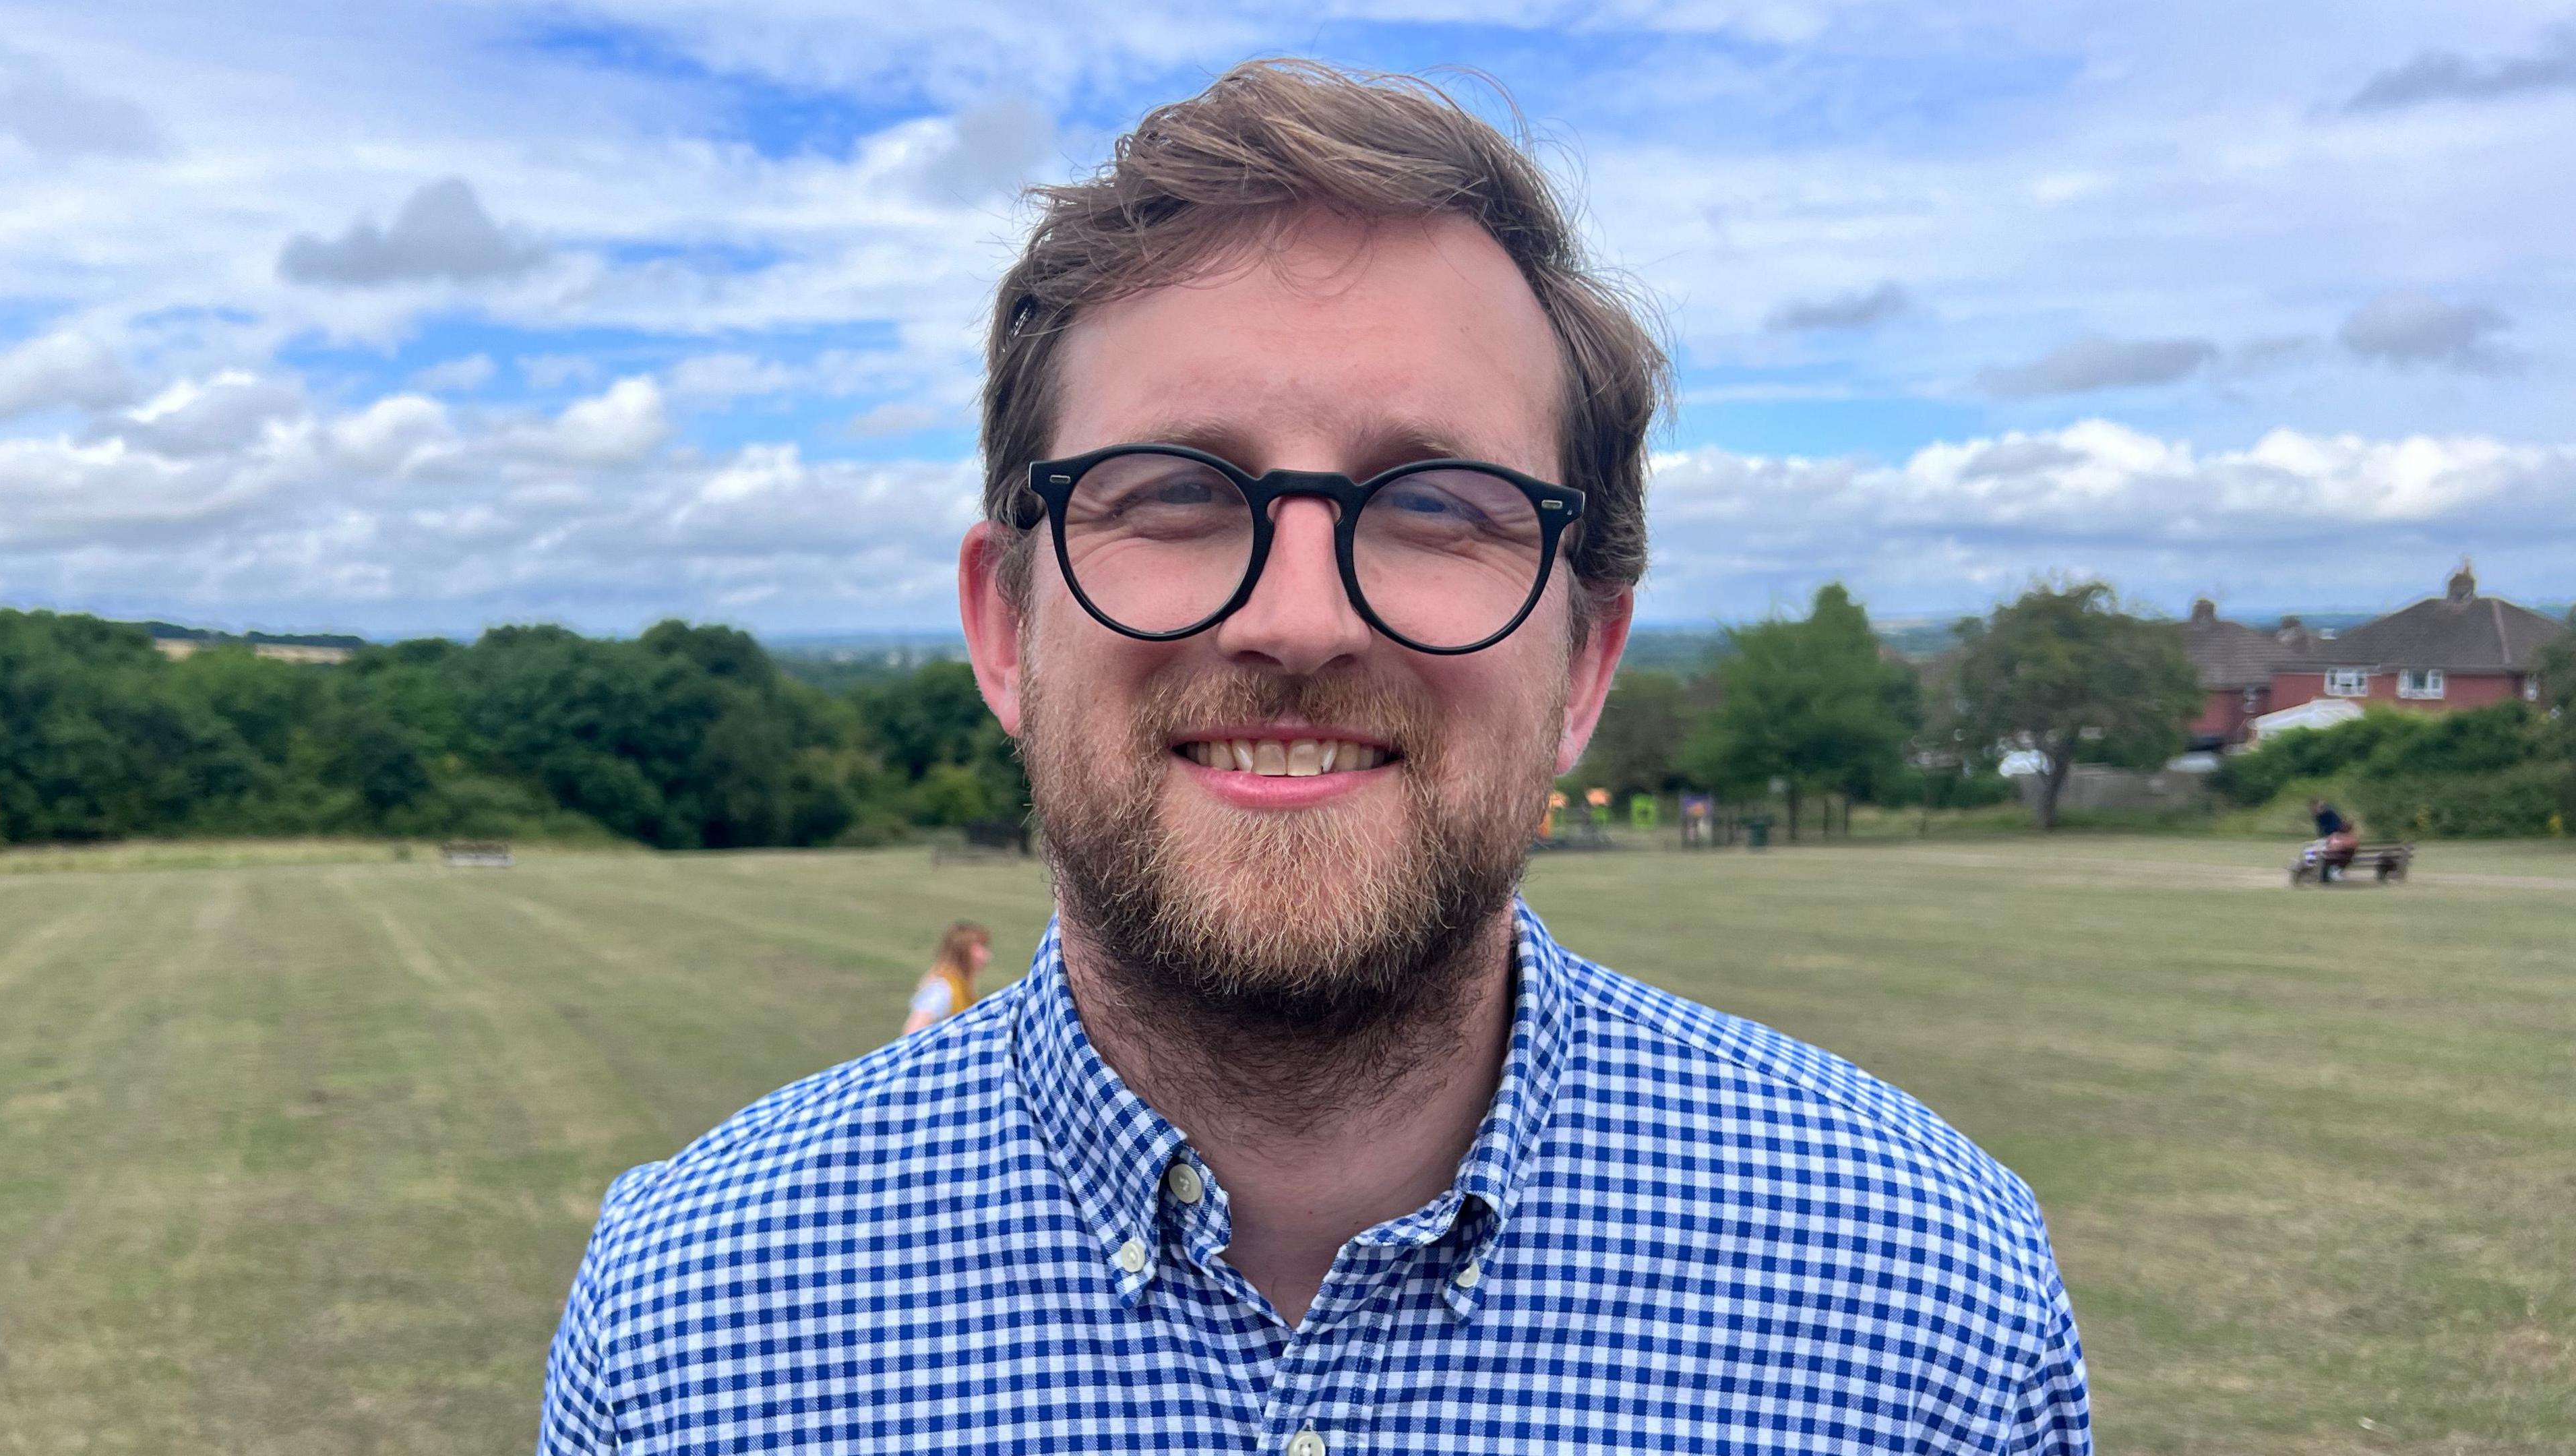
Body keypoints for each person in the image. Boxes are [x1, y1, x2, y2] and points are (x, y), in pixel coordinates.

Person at [542, 61, 2089, 1453]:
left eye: (1434, 506)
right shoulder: (686, 1317)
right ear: (1004, 629)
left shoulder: (1929, 1298)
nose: (1293, 619)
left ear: (1585, 662)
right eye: (1170, 494)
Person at [900, 921, 989, 1035]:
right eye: (980, 947)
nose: (985, 955)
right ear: (961, 951)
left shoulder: (963, 988)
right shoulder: (942, 988)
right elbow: (912, 1033)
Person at [2308, 796, 2358, 881]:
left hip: (2333, 844)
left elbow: (2331, 829)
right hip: (2334, 844)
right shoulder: (2351, 840)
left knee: (2312, 850)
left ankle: (2311, 867)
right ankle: (2313, 866)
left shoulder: (2330, 814)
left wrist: (2330, 838)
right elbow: (2321, 829)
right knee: (2313, 850)